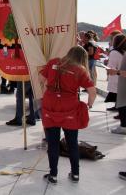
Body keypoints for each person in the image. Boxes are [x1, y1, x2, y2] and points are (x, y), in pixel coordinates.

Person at [40, 46, 96, 184]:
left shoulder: (53, 62)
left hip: (50, 105)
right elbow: (92, 90)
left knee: (52, 143)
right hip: (69, 107)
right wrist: (90, 104)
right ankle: (75, 174)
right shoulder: (80, 70)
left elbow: (41, 79)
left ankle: (53, 175)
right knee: (72, 143)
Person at [108, 34, 126, 134]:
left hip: (120, 81)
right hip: (121, 80)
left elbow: (113, 68)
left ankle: (123, 126)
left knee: (122, 104)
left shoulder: (115, 53)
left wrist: (116, 72)